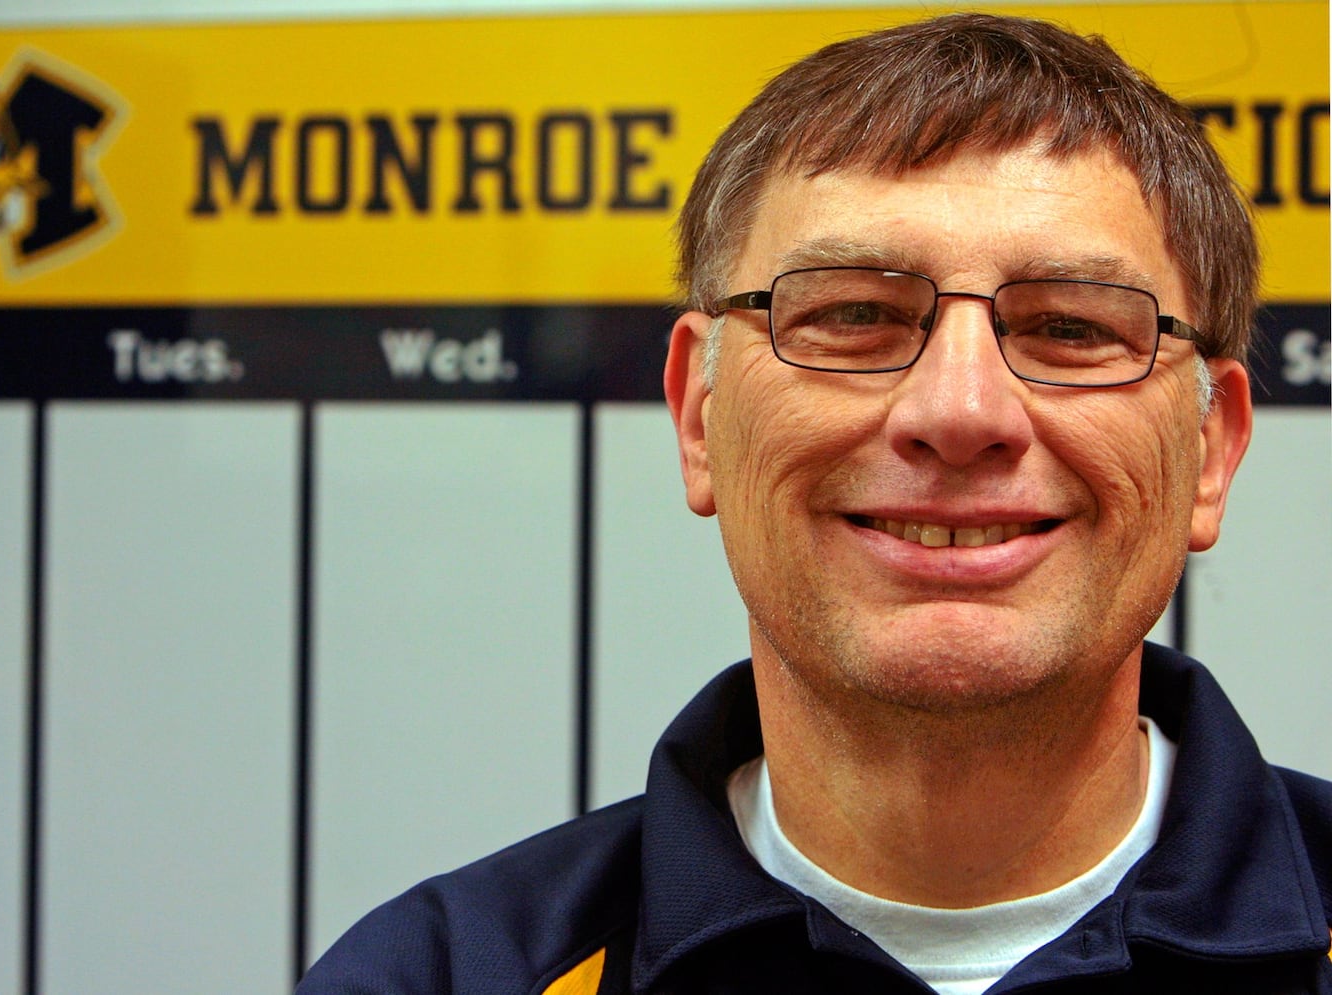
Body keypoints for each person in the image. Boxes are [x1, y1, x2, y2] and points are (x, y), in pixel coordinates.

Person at [299, 13, 1332, 994]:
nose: (960, 409)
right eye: (851, 313)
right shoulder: (438, 971)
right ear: (699, 416)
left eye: (1069, 326)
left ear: (1210, 449)